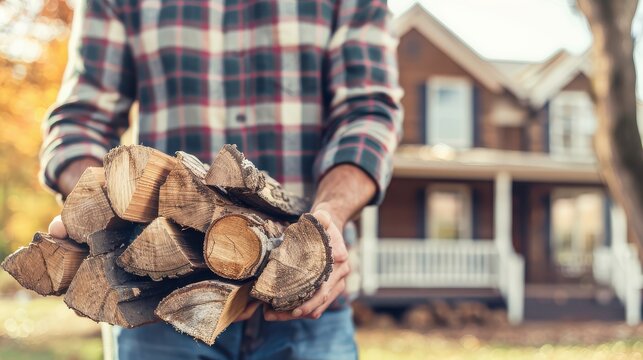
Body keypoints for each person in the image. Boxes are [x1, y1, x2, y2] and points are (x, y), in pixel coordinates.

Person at [41, 0, 402, 359]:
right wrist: (91, 200)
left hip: (307, 297)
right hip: (163, 303)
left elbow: (367, 114)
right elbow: (80, 122)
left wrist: (330, 215)